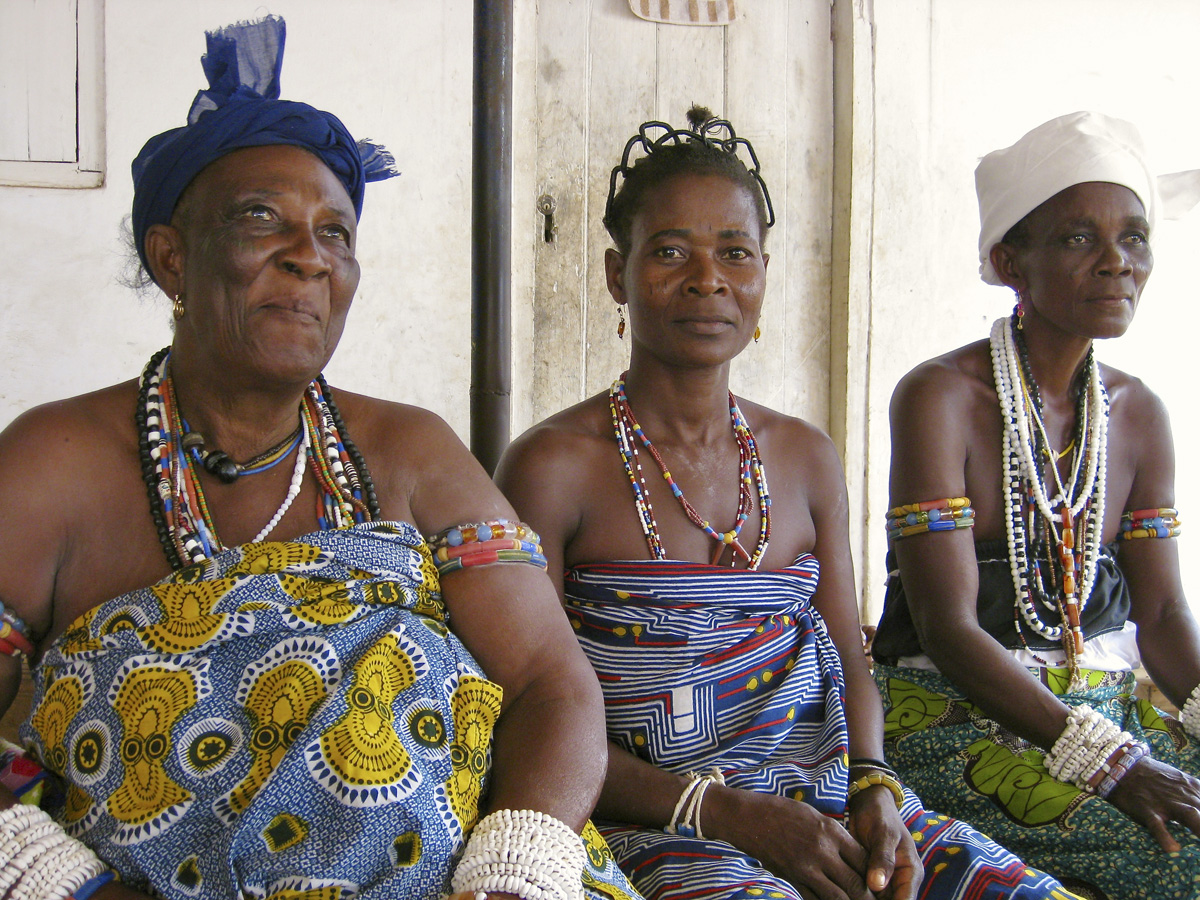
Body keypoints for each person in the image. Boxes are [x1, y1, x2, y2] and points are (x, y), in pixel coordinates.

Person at [0, 17, 640, 900]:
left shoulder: (413, 451)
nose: (310, 256)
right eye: (262, 218)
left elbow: (551, 683)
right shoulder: (51, 462)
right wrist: (56, 879)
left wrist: (516, 869)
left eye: (337, 232)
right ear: (171, 257)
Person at [496, 106, 1079, 900]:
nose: (708, 279)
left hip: (829, 805)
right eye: (670, 251)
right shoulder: (552, 466)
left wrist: (877, 788)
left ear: (763, 272)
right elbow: (526, 704)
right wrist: (728, 814)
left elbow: (848, 654)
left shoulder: (805, 457)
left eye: (735, 253)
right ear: (615, 274)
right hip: (658, 824)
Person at [873, 111, 1200, 900]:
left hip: (1107, 709)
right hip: (958, 719)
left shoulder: (1139, 411)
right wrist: (1113, 765)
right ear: (1008, 261)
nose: (1118, 263)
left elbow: (1159, 617)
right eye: (1079, 239)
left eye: (1135, 238)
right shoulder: (941, 397)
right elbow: (949, 631)